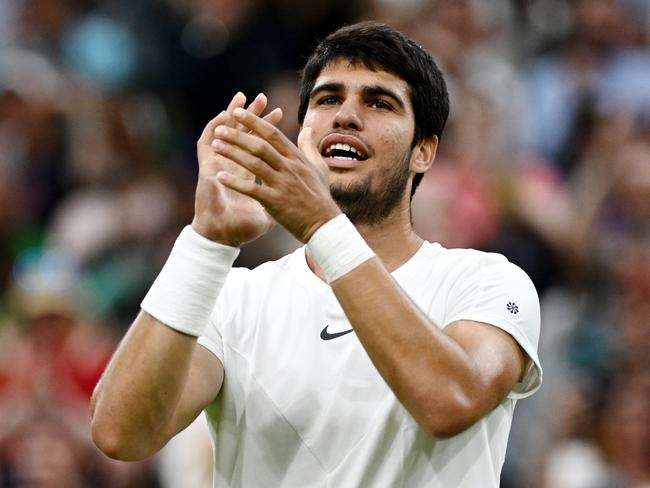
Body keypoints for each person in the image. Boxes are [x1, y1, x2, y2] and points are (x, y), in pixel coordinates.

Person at [90, 22, 542, 487]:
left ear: (423, 152)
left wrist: (323, 226)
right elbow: (119, 433)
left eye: (379, 102)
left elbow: (450, 400)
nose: (346, 115)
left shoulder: (486, 282)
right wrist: (207, 240)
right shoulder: (234, 298)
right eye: (327, 100)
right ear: (302, 136)